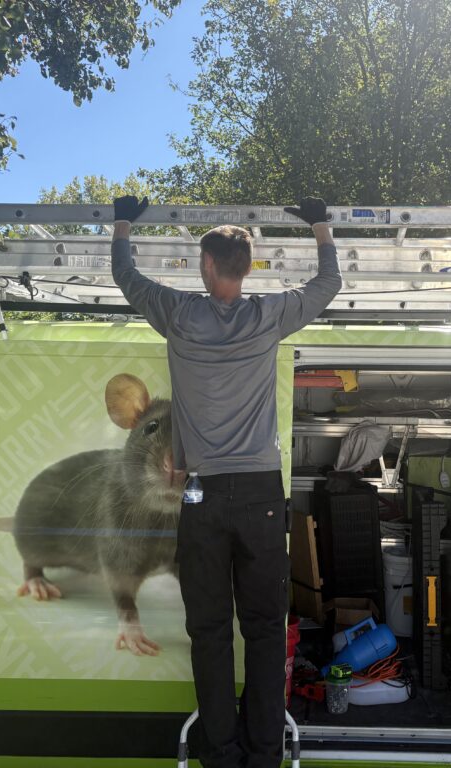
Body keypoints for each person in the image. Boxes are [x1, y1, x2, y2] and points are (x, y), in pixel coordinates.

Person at [110, 195, 341, 768]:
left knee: (210, 631)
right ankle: (265, 754)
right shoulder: (269, 315)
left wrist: (123, 221)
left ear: (210, 267)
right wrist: (319, 222)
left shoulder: (179, 314)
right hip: (262, 492)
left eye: (201, 262)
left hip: (203, 494)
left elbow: (124, 273)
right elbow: (329, 283)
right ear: (245, 268)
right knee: (265, 629)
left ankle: (223, 754)